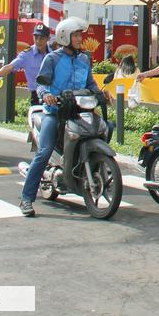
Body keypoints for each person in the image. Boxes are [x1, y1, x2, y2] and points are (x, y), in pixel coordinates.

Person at [19, 17, 103, 217]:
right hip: (55, 112)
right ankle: (26, 198)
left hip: (80, 111)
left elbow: (90, 84)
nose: (79, 38)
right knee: (44, 152)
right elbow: (41, 84)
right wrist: (46, 95)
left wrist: (100, 93)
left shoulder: (84, 59)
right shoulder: (52, 59)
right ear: (65, 37)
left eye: (80, 35)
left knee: (105, 128)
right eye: (76, 35)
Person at [0, 23, 52, 106]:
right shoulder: (27, 54)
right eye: (36, 37)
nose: (38, 41)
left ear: (48, 38)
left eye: (42, 38)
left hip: (53, 94)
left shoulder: (54, 54)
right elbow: (9, 67)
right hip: (37, 96)